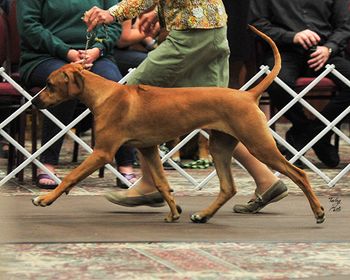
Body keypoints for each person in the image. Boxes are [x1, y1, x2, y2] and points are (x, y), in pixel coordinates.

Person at [83, 0, 288, 214]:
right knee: (218, 114)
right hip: (212, 30)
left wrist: (113, 13)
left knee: (132, 95)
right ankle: (266, 180)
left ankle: (150, 184)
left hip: (191, 34)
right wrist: (159, 11)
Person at [17, 0, 136, 189]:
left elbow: (113, 24)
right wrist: (67, 52)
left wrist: (97, 50)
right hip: (44, 57)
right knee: (67, 84)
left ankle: (126, 164)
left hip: (96, 57)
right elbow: (29, 27)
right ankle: (47, 162)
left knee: (116, 87)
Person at [250, 0, 350, 168]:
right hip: (284, 51)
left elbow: (345, 26)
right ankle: (310, 131)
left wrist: (329, 47)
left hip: (324, 52)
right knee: (277, 83)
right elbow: (257, 25)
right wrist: (292, 36)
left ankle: (314, 133)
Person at [114, 11, 160, 76]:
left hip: (125, 48)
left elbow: (135, 23)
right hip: (109, 49)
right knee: (156, 63)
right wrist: (150, 30)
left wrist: (152, 43)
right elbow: (123, 40)